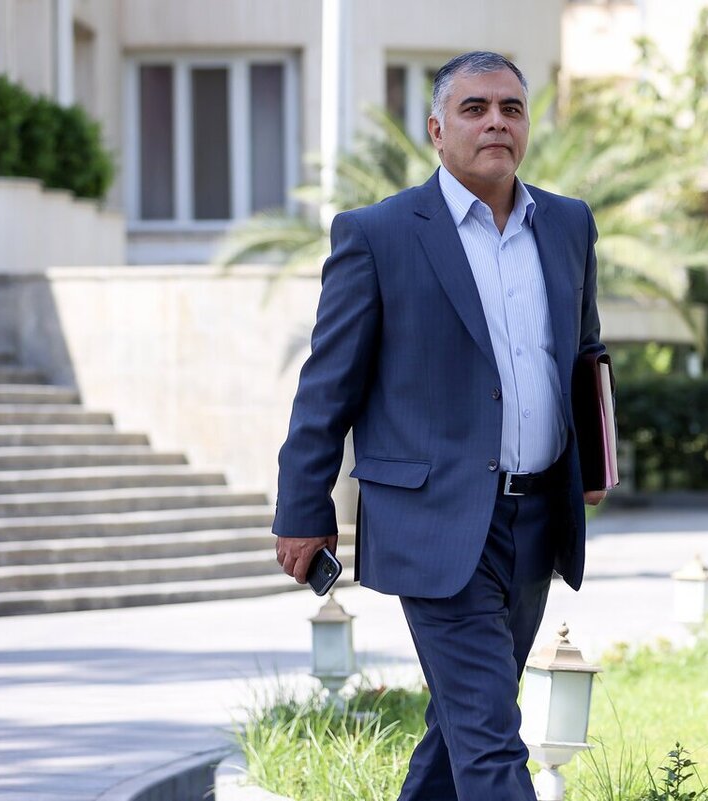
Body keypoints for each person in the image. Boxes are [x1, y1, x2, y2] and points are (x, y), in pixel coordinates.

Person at [272, 50, 608, 800]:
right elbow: (327, 387)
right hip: (434, 521)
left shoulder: (568, 224)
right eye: (474, 108)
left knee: (460, 724)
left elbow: (585, 353)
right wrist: (302, 509)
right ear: (436, 129)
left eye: (511, 108)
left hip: (536, 517)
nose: (496, 122)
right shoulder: (379, 234)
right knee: (490, 738)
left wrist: (594, 465)